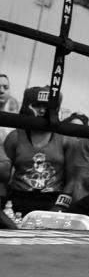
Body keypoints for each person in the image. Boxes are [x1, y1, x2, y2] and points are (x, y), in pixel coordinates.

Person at [0, 86, 73, 214]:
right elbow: (3, 177)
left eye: (47, 107)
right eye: (37, 105)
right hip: (17, 198)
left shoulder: (65, 139)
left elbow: (73, 180)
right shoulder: (15, 137)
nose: (41, 111)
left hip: (52, 199)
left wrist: (60, 206)